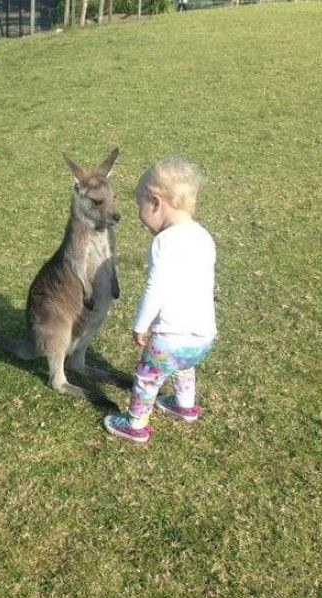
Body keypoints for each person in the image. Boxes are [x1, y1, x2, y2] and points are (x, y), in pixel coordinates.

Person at [104, 157, 217, 444]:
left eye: (139, 205)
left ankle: (135, 424)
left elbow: (156, 288)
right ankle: (184, 405)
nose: (140, 216)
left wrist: (140, 325)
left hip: (169, 337)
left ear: (155, 202)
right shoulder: (203, 236)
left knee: (147, 377)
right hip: (203, 336)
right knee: (183, 366)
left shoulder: (164, 242)